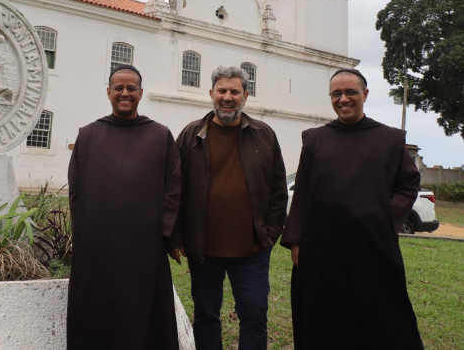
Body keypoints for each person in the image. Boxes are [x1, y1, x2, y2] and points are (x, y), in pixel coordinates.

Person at [281, 68, 424, 349]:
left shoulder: (390, 140)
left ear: (365, 95)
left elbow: (408, 185)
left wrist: (382, 216)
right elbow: (303, 193)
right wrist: (296, 240)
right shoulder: (314, 140)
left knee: (380, 314)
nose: (343, 99)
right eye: (336, 94)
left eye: (350, 92)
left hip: (372, 247)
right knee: (323, 315)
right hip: (322, 248)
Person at [170, 65, 287, 350]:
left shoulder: (264, 135)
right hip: (203, 249)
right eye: (222, 90)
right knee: (206, 315)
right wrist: (175, 236)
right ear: (211, 93)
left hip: (252, 250)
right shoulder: (190, 135)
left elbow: (278, 190)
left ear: (245, 96)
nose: (227, 97)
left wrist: (271, 234)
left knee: (254, 314)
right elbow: (173, 189)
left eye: (235, 91)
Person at [67, 64, 181, 349]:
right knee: (96, 319)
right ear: (108, 92)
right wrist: (83, 237)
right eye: (119, 88)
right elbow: (77, 191)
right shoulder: (89, 136)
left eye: (131, 88)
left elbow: (174, 188)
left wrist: (164, 234)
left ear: (141, 93)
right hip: (97, 252)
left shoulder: (160, 136)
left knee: (145, 321)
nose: (125, 93)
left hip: (146, 251)